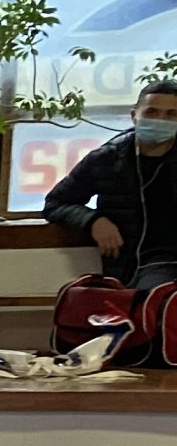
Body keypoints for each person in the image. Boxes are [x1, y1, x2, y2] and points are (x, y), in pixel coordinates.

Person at [44, 79, 177, 294]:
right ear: (134, 115)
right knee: (149, 298)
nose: (161, 120)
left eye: (171, 114)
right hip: (132, 265)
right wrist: (93, 220)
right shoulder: (107, 159)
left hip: (168, 263)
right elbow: (55, 203)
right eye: (152, 112)